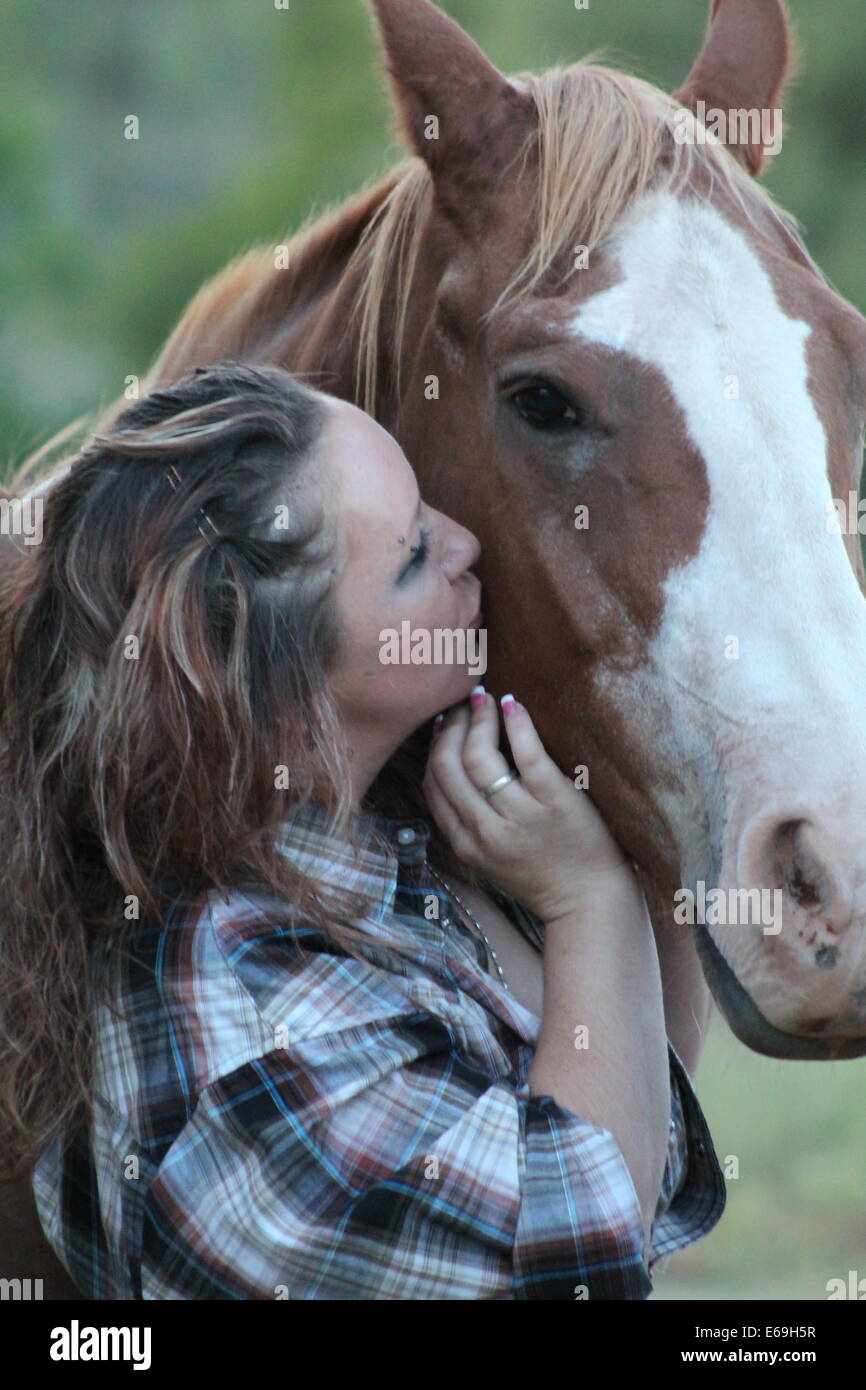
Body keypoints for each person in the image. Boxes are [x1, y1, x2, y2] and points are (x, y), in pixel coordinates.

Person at [0, 361, 725, 1300]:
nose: (467, 543)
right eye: (415, 557)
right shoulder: (253, 1040)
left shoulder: (372, 846)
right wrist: (591, 900)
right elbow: (581, 1245)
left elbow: (635, 1110)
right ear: (281, 704)